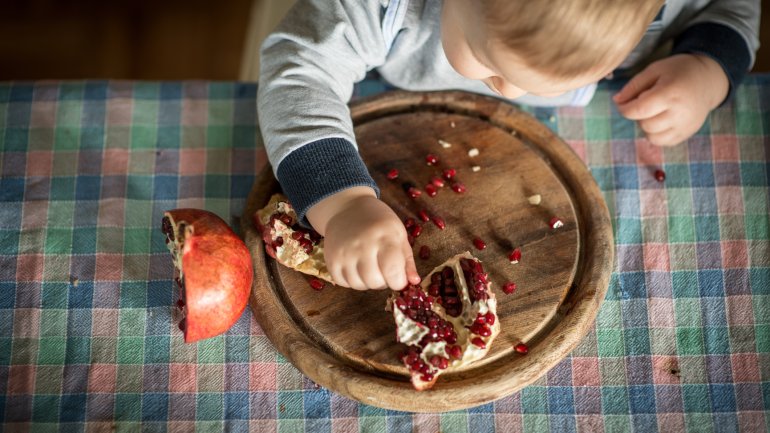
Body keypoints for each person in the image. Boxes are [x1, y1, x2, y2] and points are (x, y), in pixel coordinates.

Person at [256, 0, 760, 291]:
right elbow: (299, 67)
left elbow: (734, 6)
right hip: (375, 94)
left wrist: (708, 66)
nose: (510, 91)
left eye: (548, 79)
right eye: (488, 59)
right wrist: (340, 200)